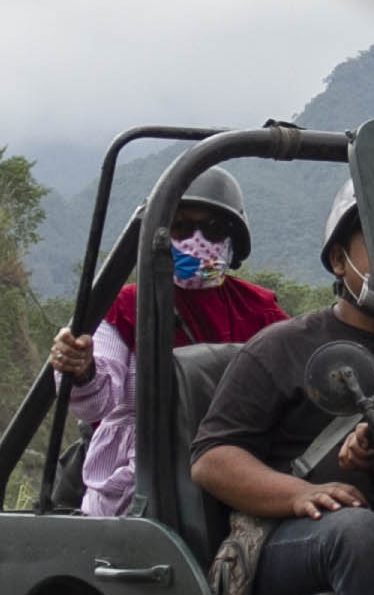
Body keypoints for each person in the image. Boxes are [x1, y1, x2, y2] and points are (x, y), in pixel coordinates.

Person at [192, 184, 374, 595]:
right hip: (293, 540)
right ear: (339, 260)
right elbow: (212, 459)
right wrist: (296, 494)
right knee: (355, 535)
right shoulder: (282, 347)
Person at [47, 169, 284, 520]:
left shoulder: (259, 310)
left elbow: (294, 378)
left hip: (238, 468)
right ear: (160, 236)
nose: (197, 240)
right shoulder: (126, 306)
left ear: (233, 241)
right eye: (182, 228)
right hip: (141, 480)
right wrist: (82, 369)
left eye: (213, 229)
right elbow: (97, 403)